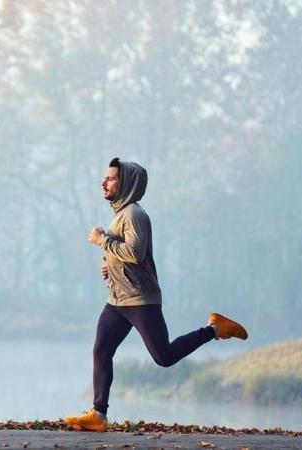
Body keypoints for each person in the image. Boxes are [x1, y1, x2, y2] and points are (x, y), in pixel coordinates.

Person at [64, 158, 248, 432]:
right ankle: (98, 415)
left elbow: (135, 254)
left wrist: (102, 240)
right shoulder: (121, 214)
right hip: (117, 301)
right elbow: (124, 256)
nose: (103, 182)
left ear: (126, 183)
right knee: (101, 350)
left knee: (164, 357)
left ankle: (215, 328)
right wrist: (111, 268)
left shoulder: (135, 215)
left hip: (140, 300)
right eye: (105, 178)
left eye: (111, 178)